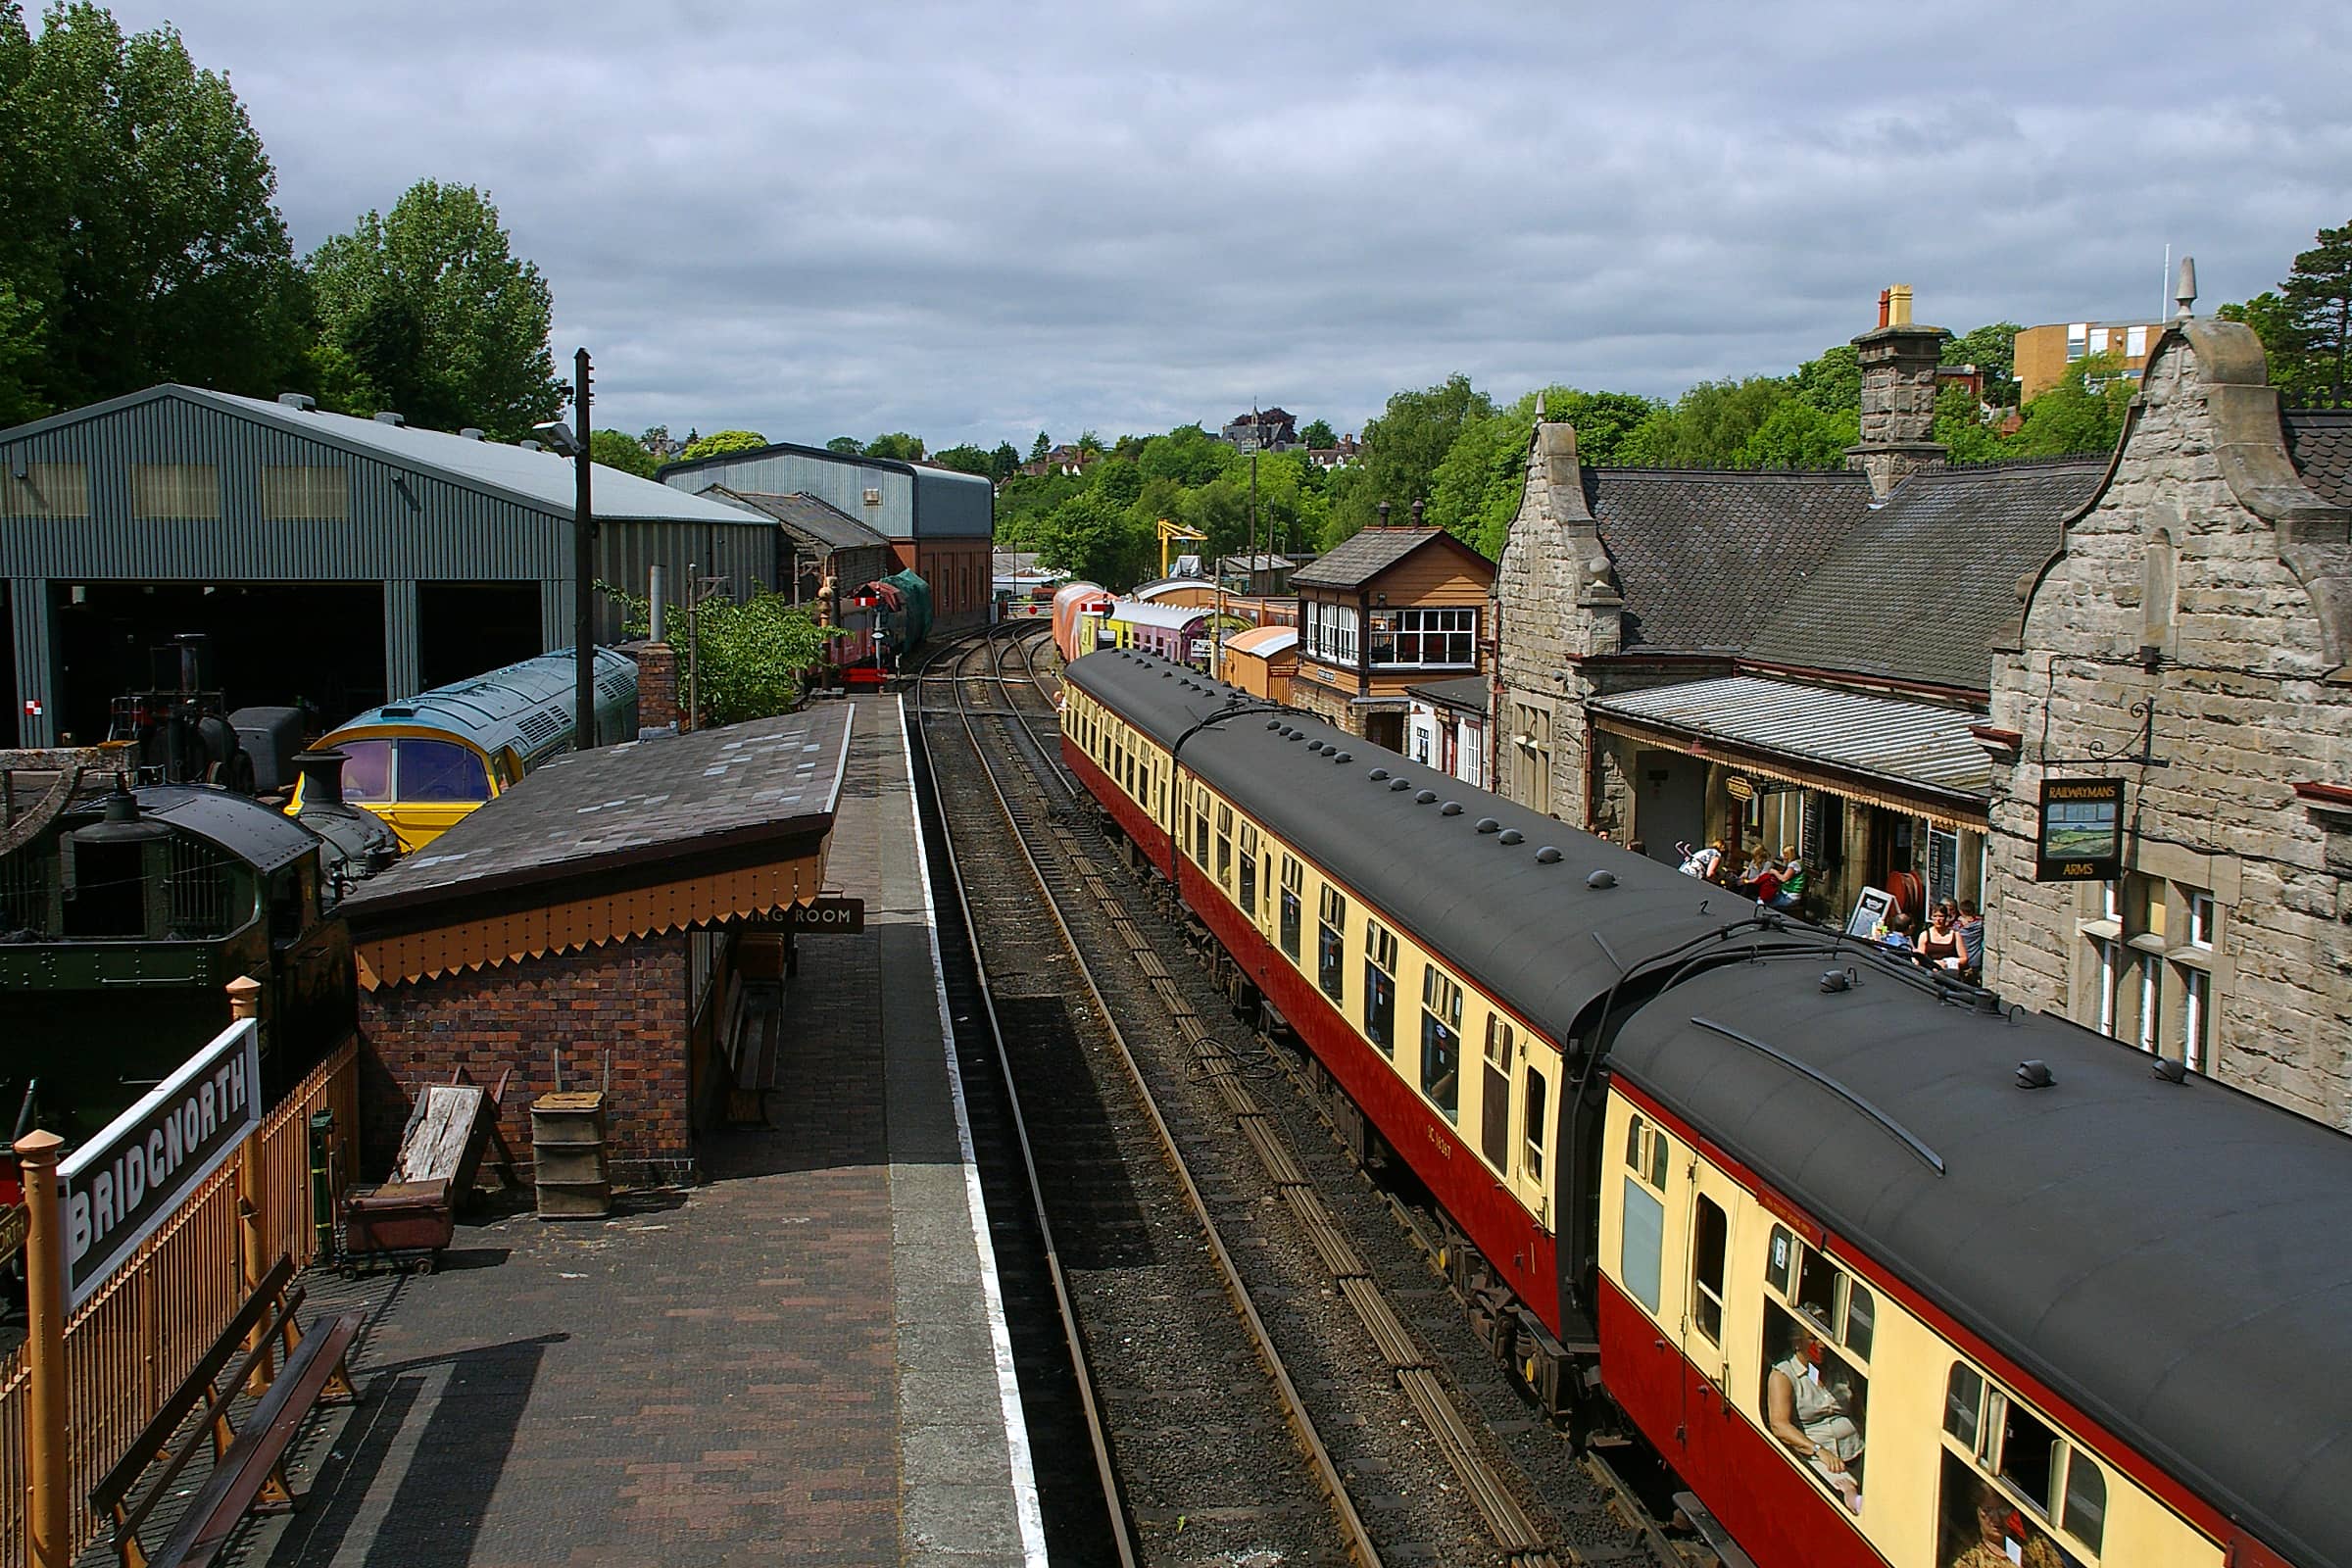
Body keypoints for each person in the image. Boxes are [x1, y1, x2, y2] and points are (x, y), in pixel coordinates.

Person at [1766, 1321, 1863, 1513]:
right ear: (1797, 1342)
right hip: (1819, 1457)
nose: (1822, 1344)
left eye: (1825, 1337)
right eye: (1813, 1338)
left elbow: (1858, 1408)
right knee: (1852, 1500)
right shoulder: (1783, 1375)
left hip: (1856, 1447)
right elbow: (1779, 1425)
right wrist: (1819, 1451)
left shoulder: (1839, 1367)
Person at [1948, 1485, 2065, 1568]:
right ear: (1977, 1512)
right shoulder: (1968, 1551)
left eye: (2004, 1510)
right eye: (1988, 1511)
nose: (1997, 1519)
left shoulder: (2032, 1540)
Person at [1917, 901, 1968, 972]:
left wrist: (1946, 963)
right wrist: (1933, 964)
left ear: (1946, 917)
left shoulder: (1955, 935)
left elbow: (1964, 959)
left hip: (1949, 973)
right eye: (1935, 916)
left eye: (1941, 916)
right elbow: (1921, 957)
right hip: (1930, 972)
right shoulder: (1924, 935)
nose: (1938, 920)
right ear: (1931, 917)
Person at [1956, 900, 1985, 978]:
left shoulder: (1958, 926)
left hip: (1961, 958)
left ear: (1961, 911)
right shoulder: (1980, 924)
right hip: (1976, 959)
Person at [1772, 846, 1806, 911]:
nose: (1784, 858)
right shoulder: (1799, 863)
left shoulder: (1794, 865)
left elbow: (1784, 879)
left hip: (1790, 897)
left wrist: (1774, 872)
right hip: (1788, 894)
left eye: (1786, 855)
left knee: (1767, 901)